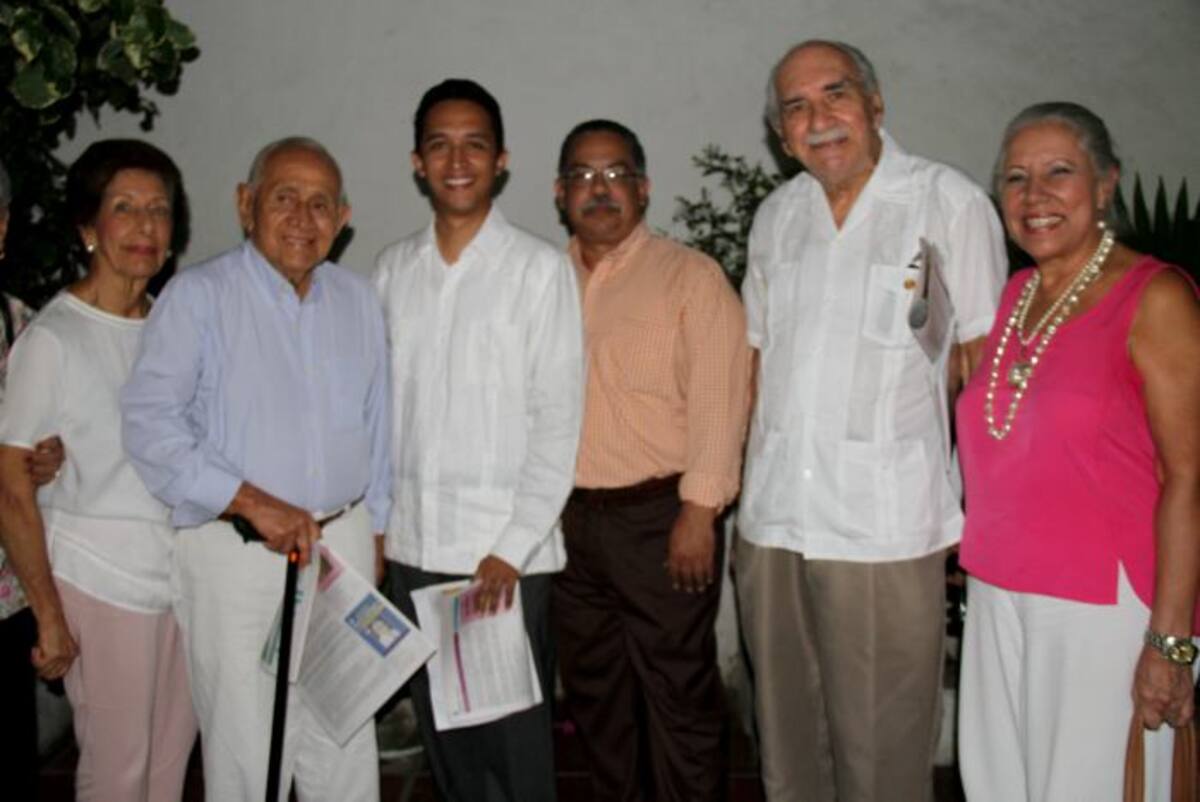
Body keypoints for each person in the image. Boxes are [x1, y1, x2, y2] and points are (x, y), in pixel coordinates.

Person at [734, 40, 1008, 802]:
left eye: (836, 94)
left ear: (876, 104)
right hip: (776, 524)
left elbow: (979, 370)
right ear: (780, 131)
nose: (818, 119)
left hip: (885, 528)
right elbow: (755, 366)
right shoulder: (776, 217)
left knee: (883, 758)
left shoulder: (946, 204)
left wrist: (980, 522)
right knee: (788, 748)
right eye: (796, 107)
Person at [121, 137, 390, 802]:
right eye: (284, 197)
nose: (303, 216)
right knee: (246, 752)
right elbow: (150, 424)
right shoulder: (197, 298)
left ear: (344, 217)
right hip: (236, 555)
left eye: (320, 203)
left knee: (345, 739)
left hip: (342, 551)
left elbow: (382, 424)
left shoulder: (359, 300)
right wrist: (247, 500)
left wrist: (375, 536)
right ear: (246, 206)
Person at [955, 101, 1200, 802]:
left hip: (1103, 605)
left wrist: (1171, 642)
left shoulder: (1155, 298)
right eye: (1015, 178)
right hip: (998, 591)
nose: (1034, 197)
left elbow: (1189, 478)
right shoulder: (1012, 296)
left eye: (1059, 172)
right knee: (1001, 788)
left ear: (1105, 184)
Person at [375, 79, 582, 802]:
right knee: (451, 752)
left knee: (517, 757)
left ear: (500, 161)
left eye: (474, 144)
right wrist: (379, 529)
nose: (456, 159)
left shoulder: (538, 271)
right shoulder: (392, 271)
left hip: (502, 560)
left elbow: (560, 419)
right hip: (414, 551)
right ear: (417, 162)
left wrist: (513, 546)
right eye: (440, 144)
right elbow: (380, 416)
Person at [551, 119, 751, 801]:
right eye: (582, 175)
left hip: (660, 520)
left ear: (643, 188)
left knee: (678, 696)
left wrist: (699, 511)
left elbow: (722, 399)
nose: (598, 189)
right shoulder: (541, 282)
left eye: (614, 174)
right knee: (598, 698)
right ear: (559, 193)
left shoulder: (690, 278)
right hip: (567, 525)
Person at [0, 140, 197, 802]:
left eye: (158, 210)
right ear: (88, 227)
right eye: (124, 208)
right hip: (98, 574)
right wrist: (48, 614)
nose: (145, 226)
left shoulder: (173, 325)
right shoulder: (54, 337)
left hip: (175, 572)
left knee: (169, 764)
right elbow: (11, 488)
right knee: (119, 771)